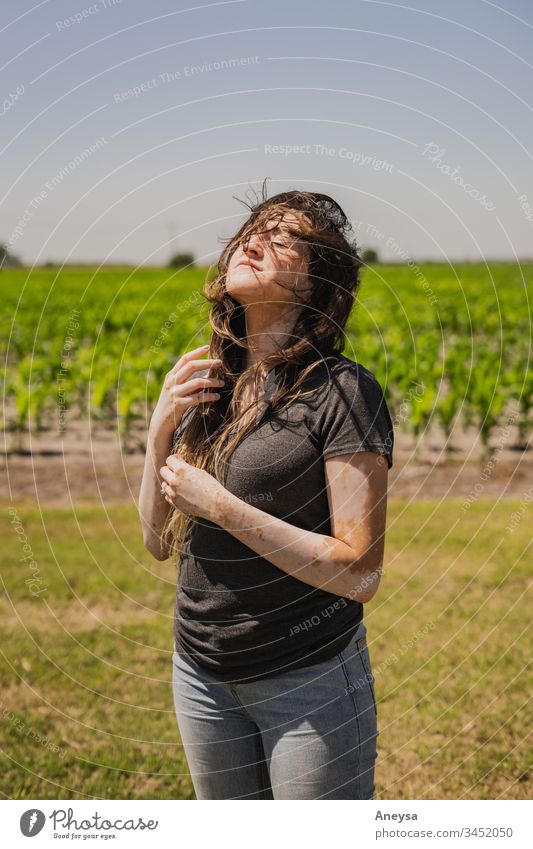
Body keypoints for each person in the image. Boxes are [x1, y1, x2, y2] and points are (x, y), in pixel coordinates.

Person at [138, 186, 394, 800]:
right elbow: (155, 542)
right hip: (199, 672)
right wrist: (158, 432)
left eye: (283, 239)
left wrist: (220, 506)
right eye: (254, 228)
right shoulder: (212, 381)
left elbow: (360, 571)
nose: (254, 240)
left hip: (307, 681)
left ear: (314, 288)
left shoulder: (343, 393)